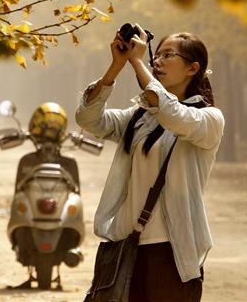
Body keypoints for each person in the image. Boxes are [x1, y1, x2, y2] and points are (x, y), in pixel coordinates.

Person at [76, 25, 224, 302]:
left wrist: (137, 62)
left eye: (168, 55)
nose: (157, 61)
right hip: (125, 244)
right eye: (157, 55)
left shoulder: (208, 119)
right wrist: (116, 66)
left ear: (192, 68)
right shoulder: (140, 116)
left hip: (171, 250)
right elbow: (89, 119)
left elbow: (171, 113)